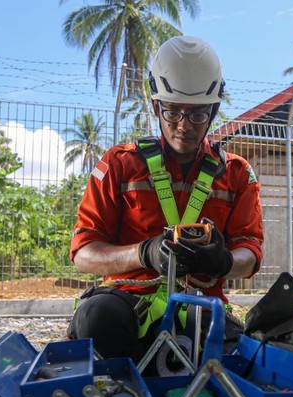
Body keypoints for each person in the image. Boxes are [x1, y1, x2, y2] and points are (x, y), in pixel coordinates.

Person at [67, 36, 264, 365]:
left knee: (244, 356)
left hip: (202, 309)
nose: (183, 127)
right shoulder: (119, 164)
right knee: (96, 317)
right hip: (127, 303)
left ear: (214, 111)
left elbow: (251, 252)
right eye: (173, 112)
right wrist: (144, 252)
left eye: (197, 115)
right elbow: (84, 254)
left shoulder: (237, 174)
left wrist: (224, 262)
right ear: (157, 106)